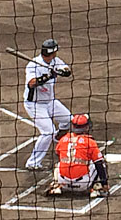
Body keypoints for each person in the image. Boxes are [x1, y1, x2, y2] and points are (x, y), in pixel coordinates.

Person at [23, 39, 72, 171]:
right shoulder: (33, 65)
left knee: (69, 120)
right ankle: (33, 163)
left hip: (50, 102)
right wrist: (48, 76)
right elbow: (32, 83)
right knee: (47, 132)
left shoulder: (55, 61)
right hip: (35, 105)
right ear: (52, 52)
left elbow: (67, 70)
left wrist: (61, 71)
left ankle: (58, 137)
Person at [45, 114, 110, 198]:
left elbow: (58, 153)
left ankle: (56, 185)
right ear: (86, 127)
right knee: (99, 161)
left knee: (59, 164)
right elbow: (99, 164)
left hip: (64, 183)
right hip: (83, 184)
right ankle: (97, 188)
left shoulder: (63, 139)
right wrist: (105, 183)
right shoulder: (89, 142)